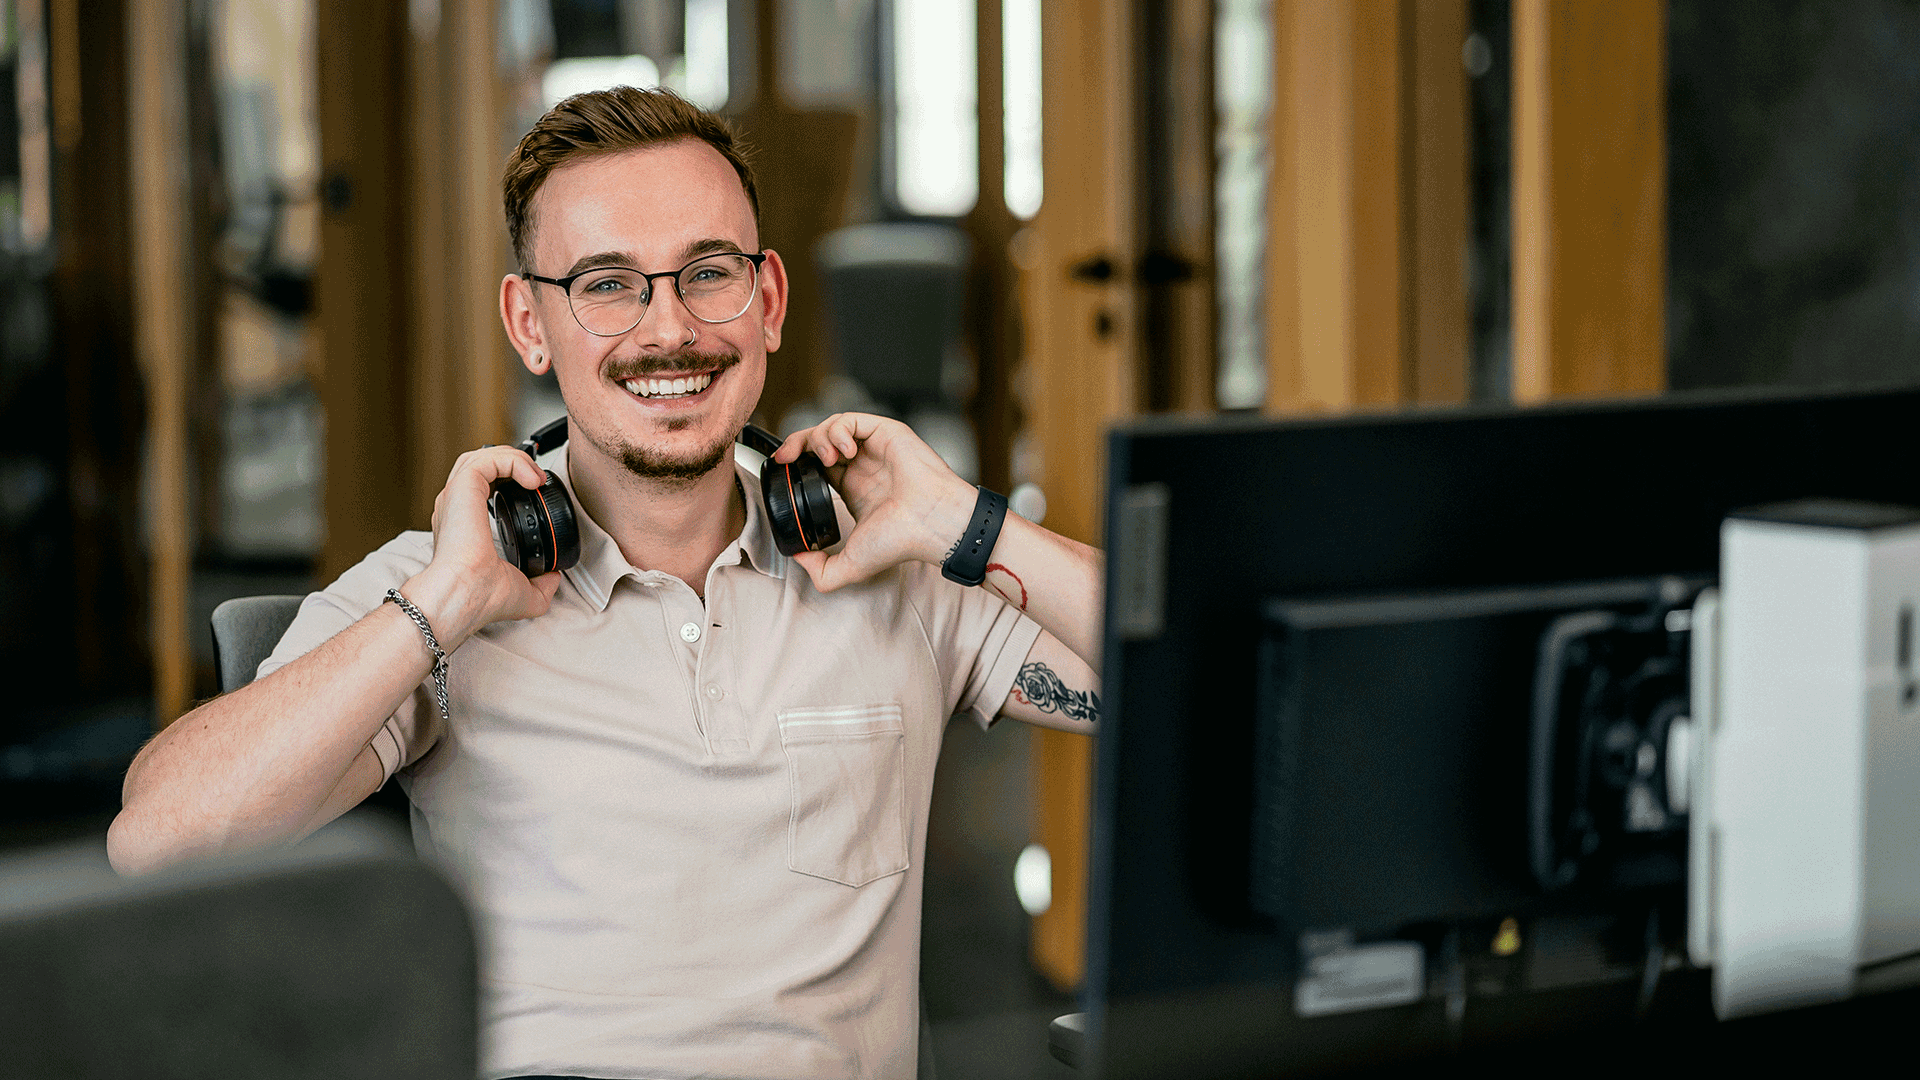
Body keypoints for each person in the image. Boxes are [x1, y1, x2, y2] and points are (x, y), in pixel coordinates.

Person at [107, 86, 1101, 1080]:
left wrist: (965, 524)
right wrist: (444, 607)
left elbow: (1199, 670)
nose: (668, 330)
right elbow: (159, 845)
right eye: (608, 285)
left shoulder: (897, 563)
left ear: (770, 304)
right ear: (530, 324)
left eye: (708, 274)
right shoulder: (439, 586)